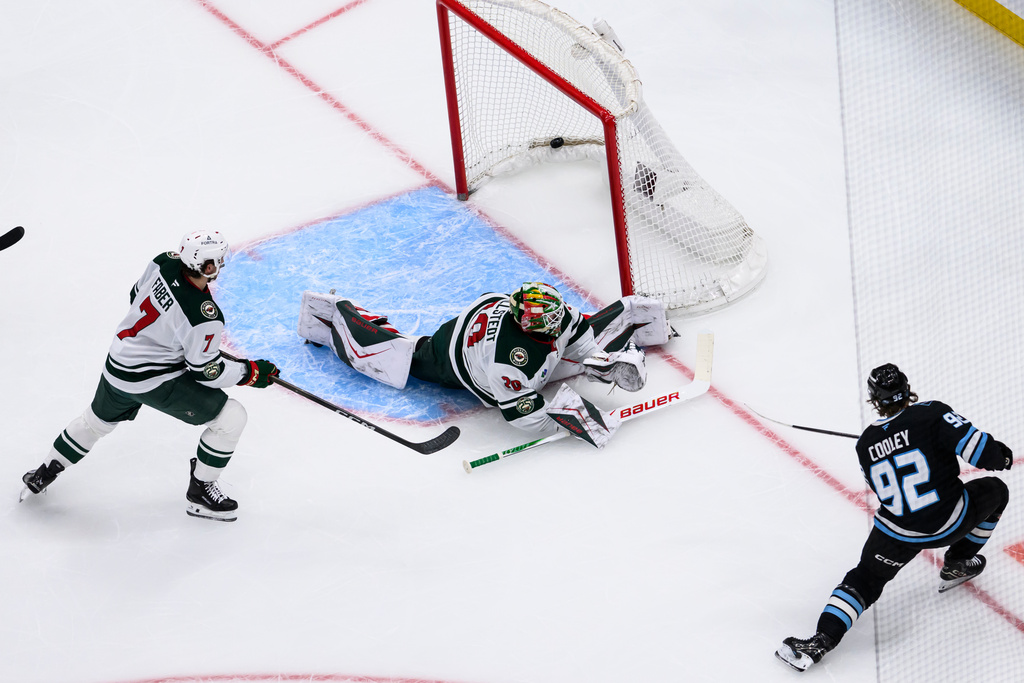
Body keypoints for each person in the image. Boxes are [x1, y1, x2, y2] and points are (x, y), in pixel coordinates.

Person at [20, 231, 279, 522]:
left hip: (118, 363)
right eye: (218, 259)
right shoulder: (203, 316)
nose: (221, 262)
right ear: (208, 266)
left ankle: (43, 473)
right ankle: (200, 493)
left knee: (94, 423)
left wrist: (167, 338)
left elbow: (136, 295)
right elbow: (208, 372)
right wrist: (250, 372)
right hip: (153, 380)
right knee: (231, 418)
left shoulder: (163, 262)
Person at [776, 363, 1012, 672]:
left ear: (874, 399)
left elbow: (882, 491)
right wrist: (1003, 455)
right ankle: (957, 562)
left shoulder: (865, 445)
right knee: (996, 491)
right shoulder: (932, 414)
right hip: (951, 520)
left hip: (898, 531)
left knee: (864, 580)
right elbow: (982, 453)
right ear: (907, 388)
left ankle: (820, 641)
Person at [296, 283, 672, 448]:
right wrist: (568, 416)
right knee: (393, 359)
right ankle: (328, 313)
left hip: (487, 316)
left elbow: (577, 332)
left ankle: (633, 324)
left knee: (573, 355)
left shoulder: (557, 313)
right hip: (450, 358)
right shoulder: (507, 365)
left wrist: (595, 358)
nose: (557, 323)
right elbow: (522, 415)